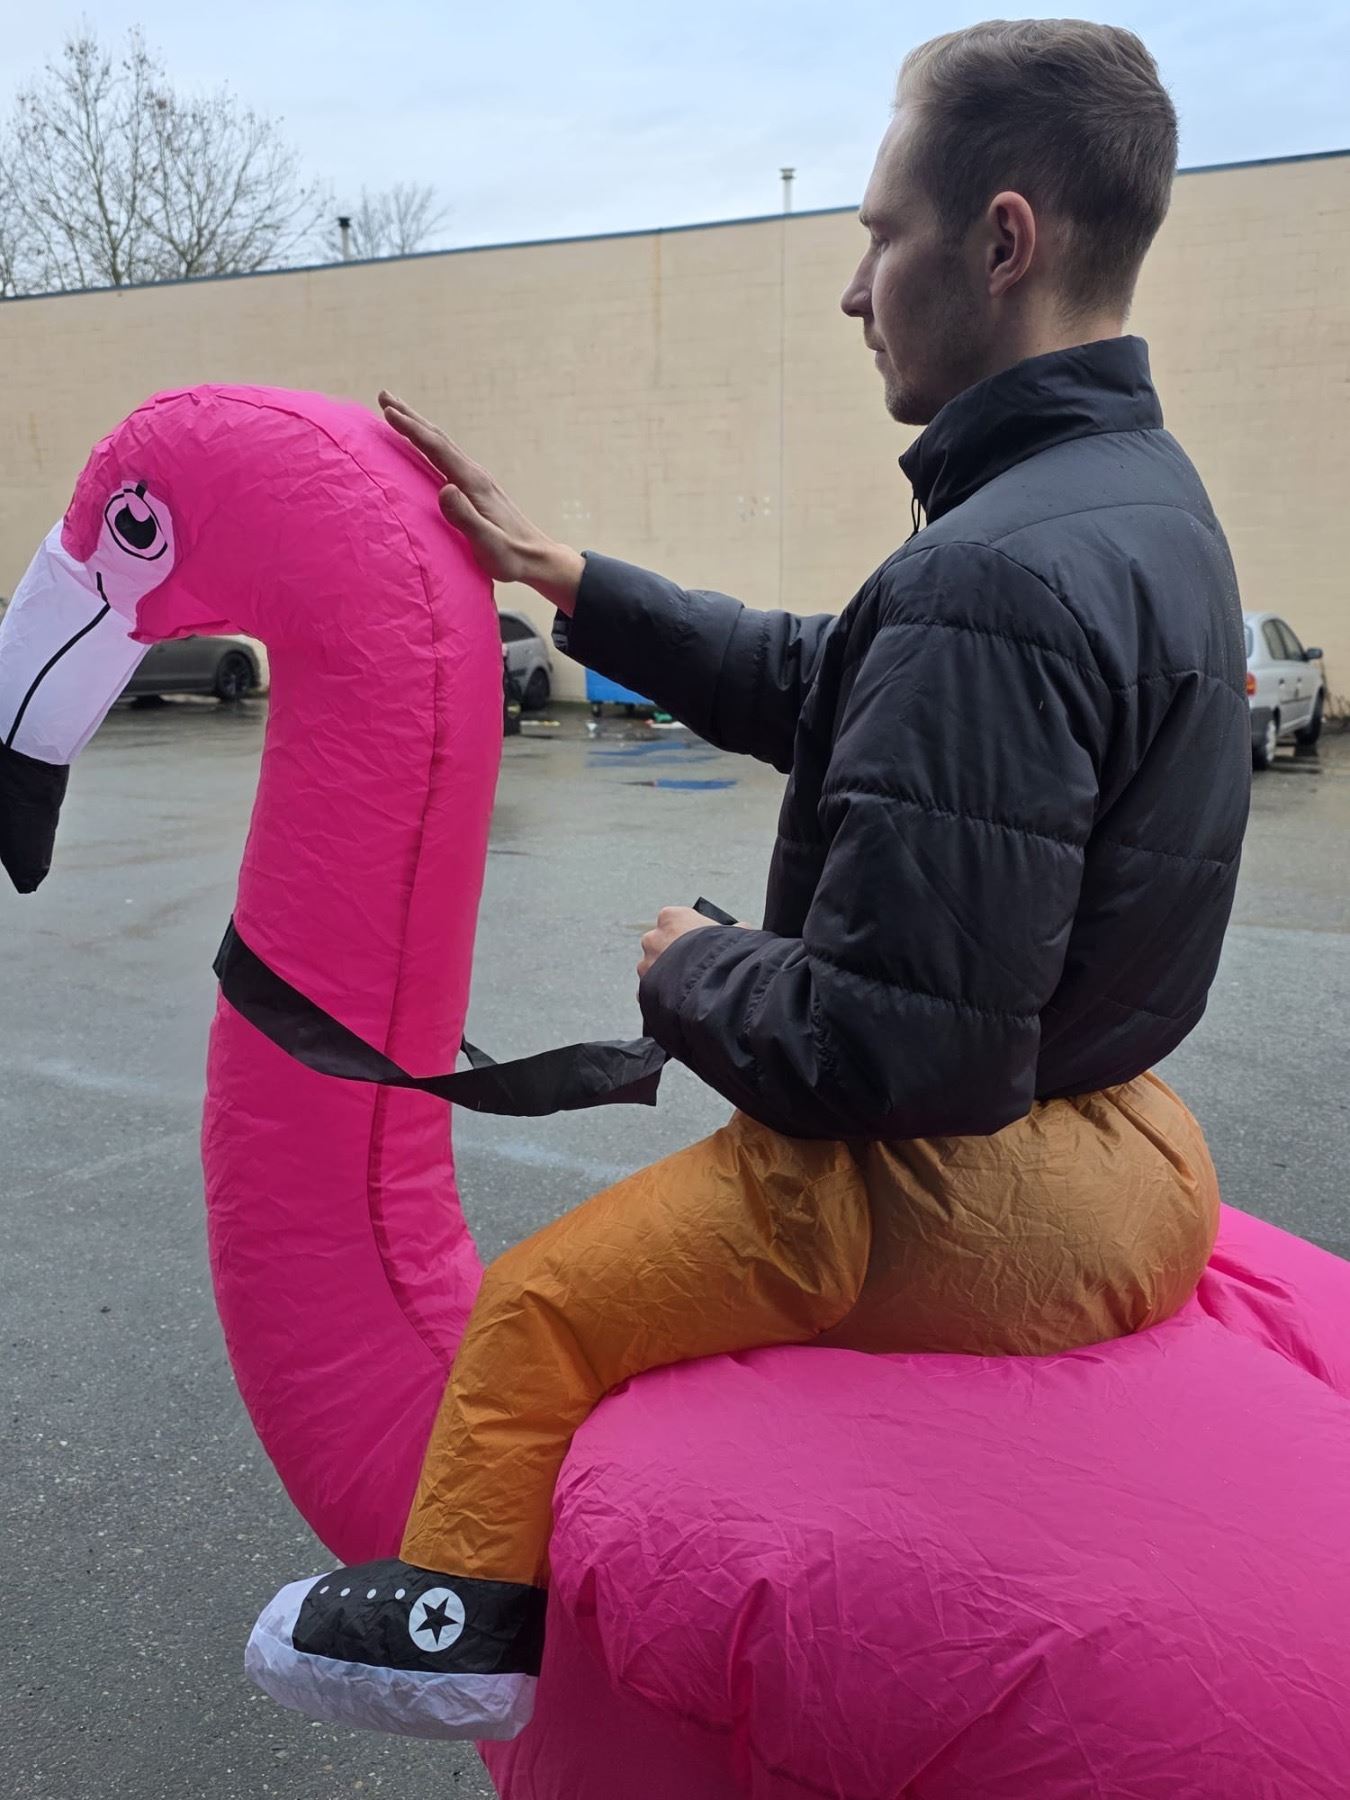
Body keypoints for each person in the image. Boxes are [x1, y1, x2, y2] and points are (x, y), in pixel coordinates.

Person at [248, 19, 1250, 1741]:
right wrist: (571, 575)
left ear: (1001, 243)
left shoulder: (992, 572)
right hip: (1128, 1138)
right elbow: (836, 681)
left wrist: (690, 965)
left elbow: (900, 1050)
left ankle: (450, 1630)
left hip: (974, 1169)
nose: (854, 290)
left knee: (538, 1310)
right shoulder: (1129, 499)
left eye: (880, 236)